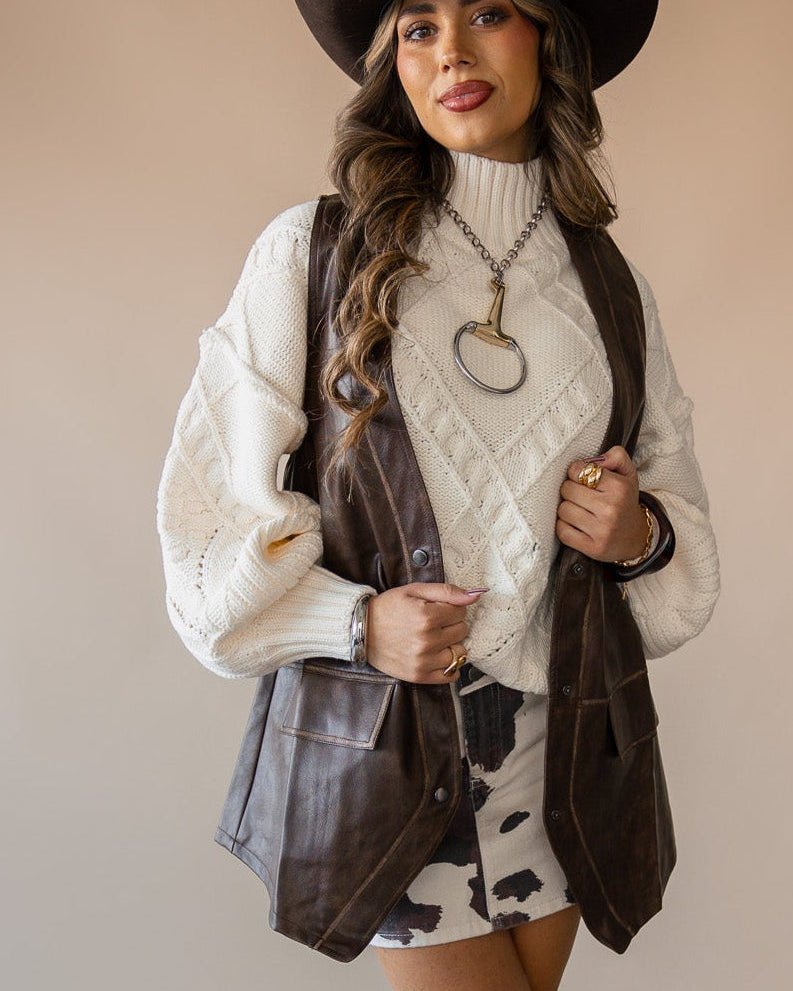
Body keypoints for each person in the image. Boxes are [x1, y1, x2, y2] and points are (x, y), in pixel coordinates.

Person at [157, 2, 720, 989]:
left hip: (569, 768)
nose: (450, 49)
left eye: (489, 12)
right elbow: (207, 528)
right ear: (392, 63)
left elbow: (675, 531)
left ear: (550, 40)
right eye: (417, 26)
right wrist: (352, 624)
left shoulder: (608, 281)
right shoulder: (312, 251)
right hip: (390, 766)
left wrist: (638, 535)